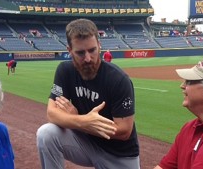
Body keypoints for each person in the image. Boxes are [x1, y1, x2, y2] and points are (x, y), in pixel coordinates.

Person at [36, 18, 140, 169]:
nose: (88, 58)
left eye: (92, 50)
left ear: (99, 45)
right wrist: (83, 121)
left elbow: (124, 130)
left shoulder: (118, 79)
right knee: (46, 134)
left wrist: (77, 121)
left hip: (120, 156)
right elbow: (52, 114)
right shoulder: (65, 71)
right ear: (69, 50)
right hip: (86, 145)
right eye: (80, 52)